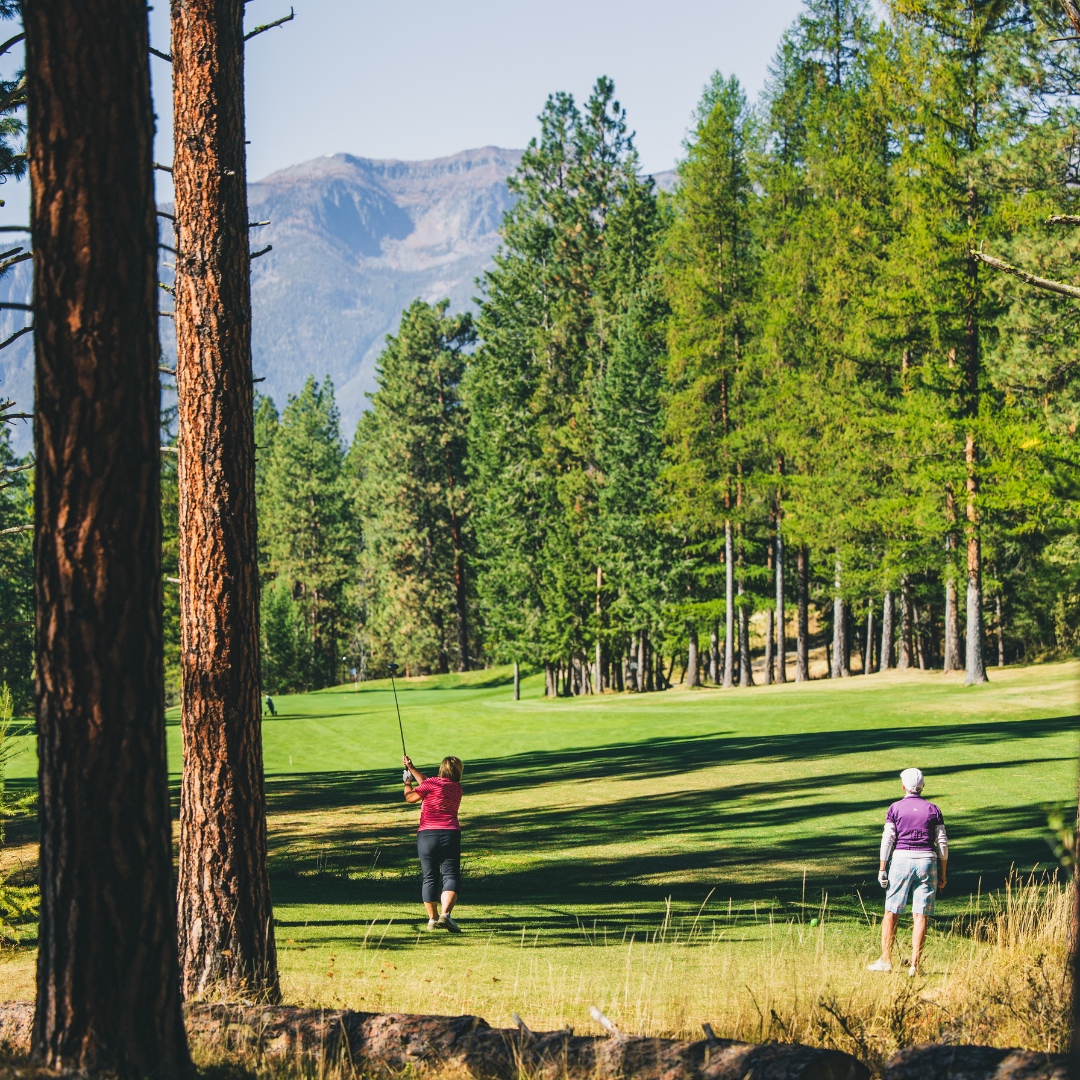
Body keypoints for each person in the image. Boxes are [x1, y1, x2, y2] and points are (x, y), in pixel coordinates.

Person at [868, 767, 948, 976]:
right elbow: (942, 843)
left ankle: (886, 960)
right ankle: (915, 965)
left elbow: (888, 839)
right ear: (922, 787)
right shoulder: (933, 809)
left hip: (902, 860)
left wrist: (882, 868)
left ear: (903, 786)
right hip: (927, 861)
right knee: (920, 915)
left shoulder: (895, 808)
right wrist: (943, 872)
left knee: (891, 911)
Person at [403, 754, 464, 932]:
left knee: (430, 877)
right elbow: (428, 783)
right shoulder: (457, 788)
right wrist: (412, 768)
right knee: (450, 876)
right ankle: (445, 915)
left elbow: (410, 798)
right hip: (451, 834)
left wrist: (407, 782)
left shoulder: (431, 784)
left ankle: (432, 919)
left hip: (427, 835)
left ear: (441, 769)